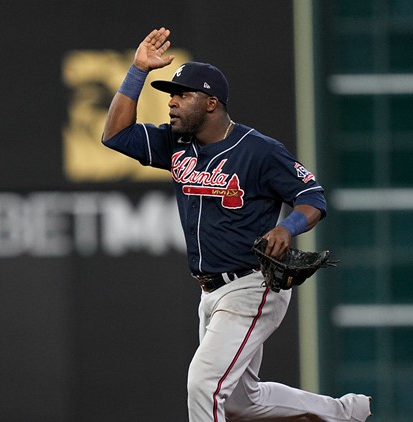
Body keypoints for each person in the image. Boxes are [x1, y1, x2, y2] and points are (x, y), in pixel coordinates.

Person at [101, 27, 371, 421]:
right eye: (170, 96)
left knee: (204, 384)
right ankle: (345, 413)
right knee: (243, 401)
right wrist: (137, 71)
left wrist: (287, 227)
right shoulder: (178, 145)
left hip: (252, 284)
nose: (172, 103)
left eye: (182, 95)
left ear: (211, 103)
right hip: (210, 291)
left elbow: (313, 197)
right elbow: (115, 135)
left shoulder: (259, 150)